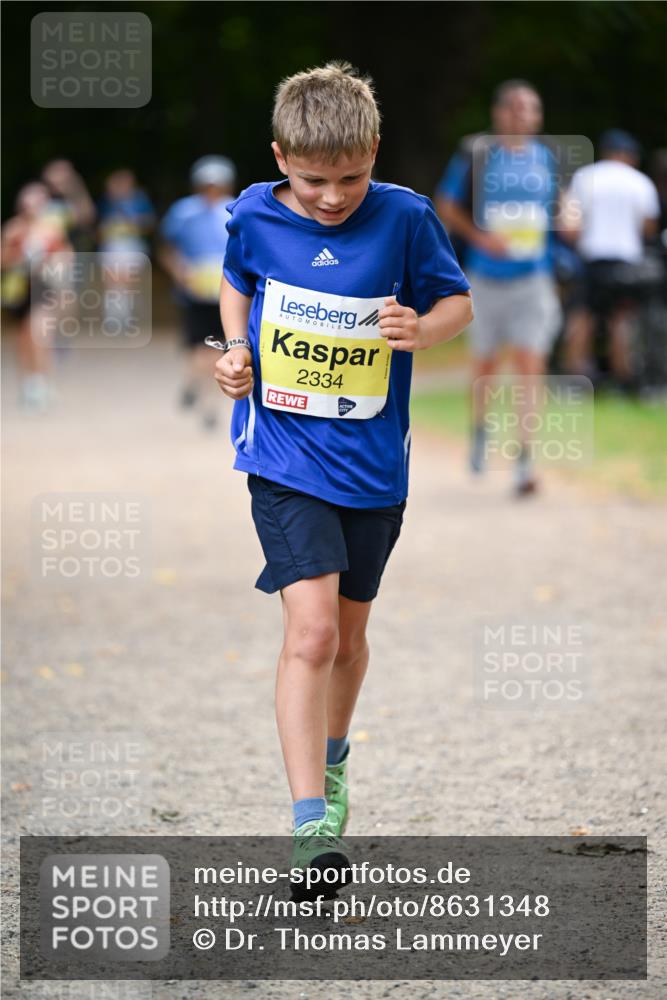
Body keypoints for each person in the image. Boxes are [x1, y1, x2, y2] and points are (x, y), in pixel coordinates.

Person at [213, 62, 472, 884]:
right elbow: (234, 284)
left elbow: (455, 304)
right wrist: (238, 351)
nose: (332, 196)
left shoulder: (404, 218)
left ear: (374, 151)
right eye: (315, 179)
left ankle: (332, 760)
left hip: (371, 466)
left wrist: (420, 332)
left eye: (351, 176)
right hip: (284, 457)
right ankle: (308, 827)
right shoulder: (255, 211)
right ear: (281, 155)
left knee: (351, 640)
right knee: (313, 631)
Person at [436, 80, 561, 496]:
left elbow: (561, 208)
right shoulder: (478, 154)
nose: (528, 116)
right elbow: (446, 205)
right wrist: (480, 237)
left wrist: (571, 220)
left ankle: (526, 459)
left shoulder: (546, 158)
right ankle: (479, 431)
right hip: (486, 278)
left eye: (533, 109)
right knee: (486, 366)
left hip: (533, 277)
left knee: (530, 362)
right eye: (520, 108)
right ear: (501, 113)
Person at [561, 130, 661, 390]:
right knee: (621, 319)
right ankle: (624, 379)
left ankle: (575, 376)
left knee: (583, 316)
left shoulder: (585, 177)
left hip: (593, 258)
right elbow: (649, 227)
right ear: (627, 155)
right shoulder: (640, 182)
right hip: (626, 261)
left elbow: (570, 226)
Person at [160, 156, 236, 430]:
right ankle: (194, 385)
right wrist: (180, 272)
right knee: (197, 350)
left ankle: (209, 405)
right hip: (195, 292)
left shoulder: (235, 210)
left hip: (225, 291)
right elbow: (167, 248)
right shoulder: (184, 212)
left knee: (213, 351)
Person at [1, 181, 71, 411]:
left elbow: (65, 257)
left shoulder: (51, 231)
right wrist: (19, 259)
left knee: (39, 333)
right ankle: (29, 382)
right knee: (23, 338)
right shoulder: (14, 229)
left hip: (43, 287)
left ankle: (41, 382)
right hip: (18, 288)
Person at [98, 169, 155, 332]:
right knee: (113, 282)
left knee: (128, 282)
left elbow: (149, 222)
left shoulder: (139, 199)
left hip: (132, 246)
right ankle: (113, 319)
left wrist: (134, 222)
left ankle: (126, 318)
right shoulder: (107, 201)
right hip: (112, 246)